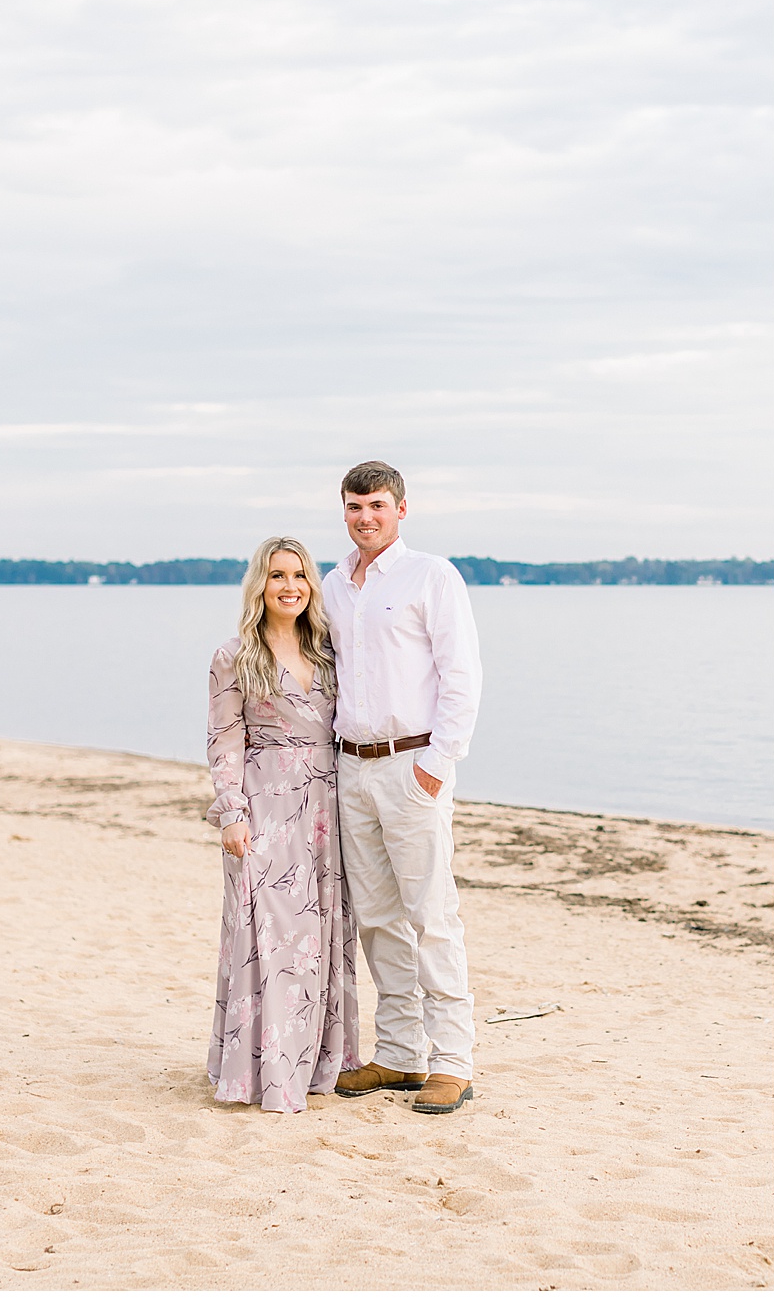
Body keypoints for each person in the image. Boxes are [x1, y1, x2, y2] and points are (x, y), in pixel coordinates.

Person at [324, 460, 483, 1115]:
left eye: (378, 506)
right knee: (379, 917)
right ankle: (398, 1055)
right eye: (356, 507)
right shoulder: (334, 585)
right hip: (351, 767)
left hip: (411, 764)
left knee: (431, 914)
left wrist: (438, 765)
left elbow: (462, 675)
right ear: (345, 511)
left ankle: (453, 1061)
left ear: (401, 510)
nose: (367, 518)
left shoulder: (432, 576)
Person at [205, 535, 360, 1113]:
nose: (289, 585)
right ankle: (259, 1072)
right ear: (259, 585)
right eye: (277, 576)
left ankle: (317, 1063)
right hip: (264, 807)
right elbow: (223, 739)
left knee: (319, 937)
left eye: (299, 575)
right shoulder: (234, 655)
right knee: (264, 936)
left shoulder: (328, 652)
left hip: (326, 806)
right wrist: (232, 813)